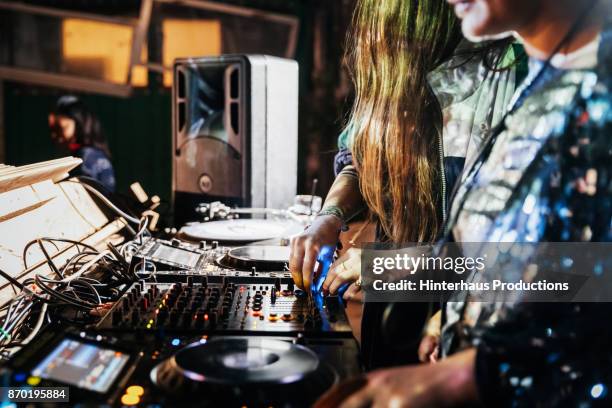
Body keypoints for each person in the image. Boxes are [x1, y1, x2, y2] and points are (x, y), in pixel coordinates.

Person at [316, 0, 612, 406]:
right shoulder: (546, 79)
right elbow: (529, 259)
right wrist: (455, 317)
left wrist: (466, 375)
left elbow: (590, 280)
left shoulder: (588, 86)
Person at [289, 0, 526, 369]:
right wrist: (329, 217)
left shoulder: (519, 78)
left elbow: (552, 266)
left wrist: (392, 263)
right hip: (398, 315)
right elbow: (360, 162)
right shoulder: (403, 82)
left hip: (478, 332)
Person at [49, 95, 116, 192]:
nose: (54, 135)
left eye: (60, 128)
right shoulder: (95, 154)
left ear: (78, 121)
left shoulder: (84, 157)